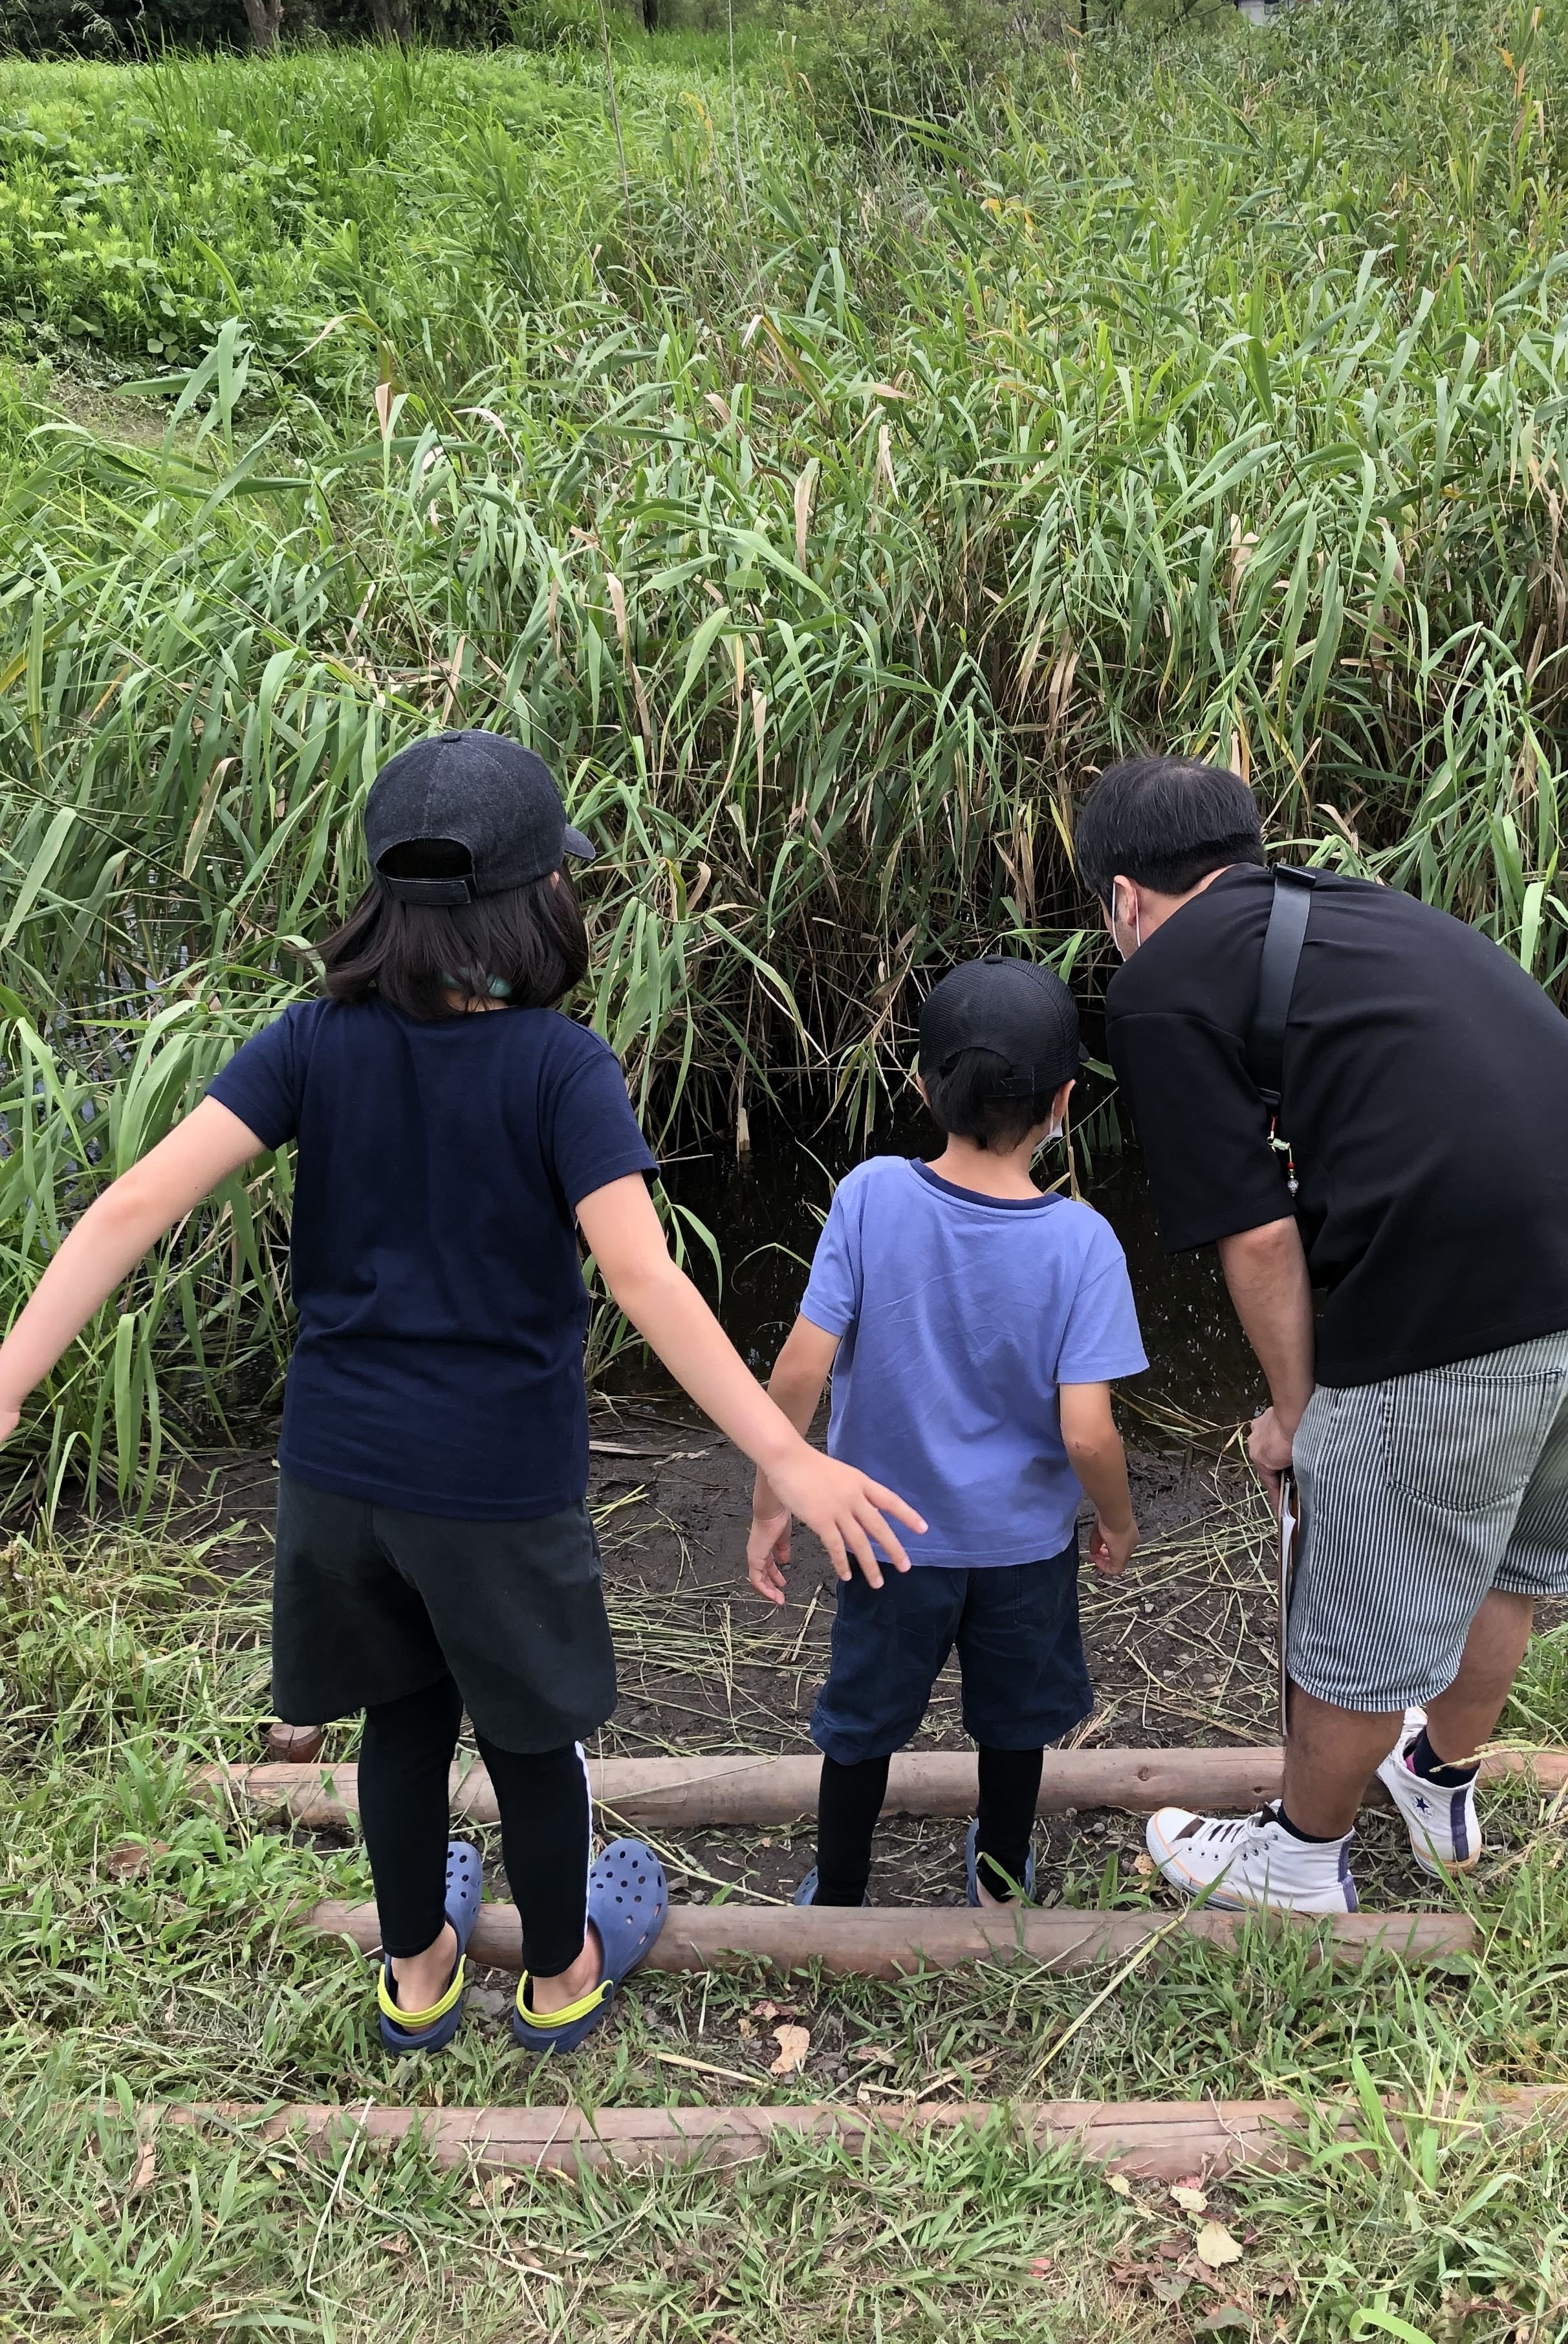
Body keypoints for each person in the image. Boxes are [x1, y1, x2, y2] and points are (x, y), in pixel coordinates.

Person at [0, 729, 924, 2054]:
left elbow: (135, 1202)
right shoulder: (560, 1066)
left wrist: (11, 1377)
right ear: (539, 899)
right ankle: (559, 1974)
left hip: (339, 1476)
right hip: (495, 1485)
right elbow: (643, 1278)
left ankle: (419, 1970)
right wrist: (787, 1455)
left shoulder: (310, 1040)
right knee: (532, 1742)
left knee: (401, 1720)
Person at [1077, 755, 1568, 1913]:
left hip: (1474, 1282)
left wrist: (1299, 1414)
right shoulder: (1359, 910)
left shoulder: (1160, 983)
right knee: (1507, 1558)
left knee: (1359, 1587)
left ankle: (1301, 1857)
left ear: (1126, 898)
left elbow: (1257, 1234)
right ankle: (1437, 1780)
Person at [746, 958, 1147, 1907]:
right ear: (1064, 1101)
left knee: (862, 1722)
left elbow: (797, 1371)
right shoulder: (1084, 1243)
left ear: (927, 1088)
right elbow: (1088, 1436)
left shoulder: (872, 1194)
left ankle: (841, 1890)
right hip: (1023, 1552)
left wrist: (773, 1500)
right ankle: (1001, 1878)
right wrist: (1119, 1521)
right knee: (1016, 1722)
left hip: (882, 1536)